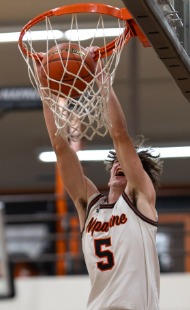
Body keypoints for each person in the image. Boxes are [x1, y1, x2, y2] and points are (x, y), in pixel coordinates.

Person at [39, 47, 163, 310]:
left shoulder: (140, 200)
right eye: (116, 162)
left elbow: (119, 133)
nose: (121, 163)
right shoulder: (90, 206)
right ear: (109, 175)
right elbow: (60, 147)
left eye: (129, 164)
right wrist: (45, 91)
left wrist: (100, 74)